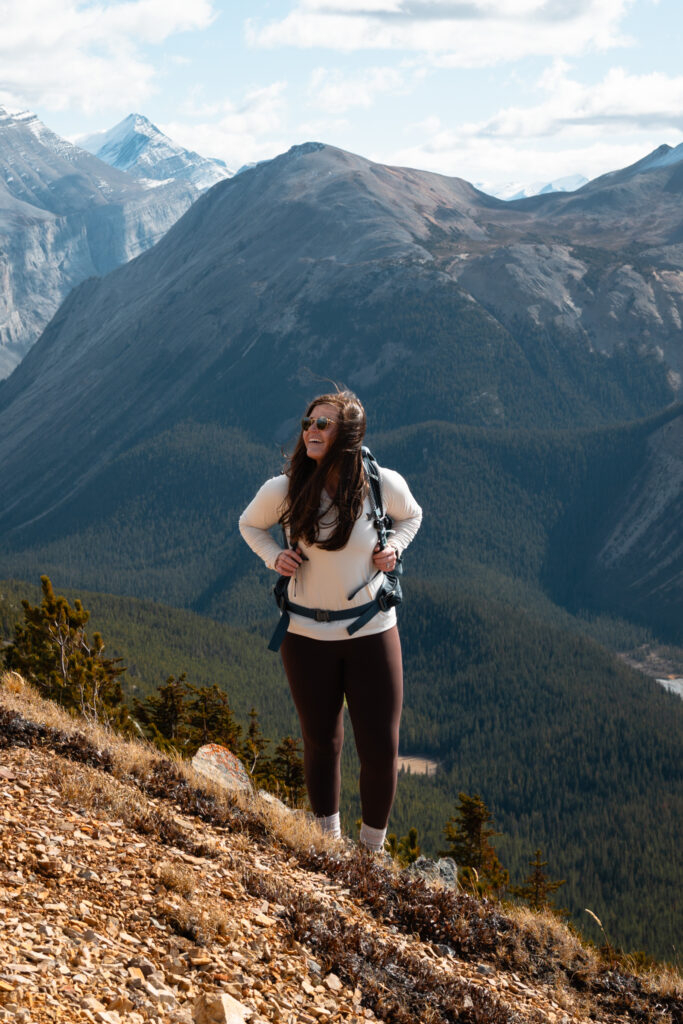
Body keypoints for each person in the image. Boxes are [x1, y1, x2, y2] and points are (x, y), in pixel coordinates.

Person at [239, 390, 422, 852]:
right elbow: (249, 524)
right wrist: (272, 556)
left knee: (381, 747)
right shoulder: (283, 488)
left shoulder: (381, 485)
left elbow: (412, 517)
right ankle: (329, 848)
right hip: (304, 635)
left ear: (348, 435)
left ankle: (370, 854)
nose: (310, 431)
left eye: (323, 424)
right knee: (322, 742)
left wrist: (395, 549)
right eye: (308, 423)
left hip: (372, 631)